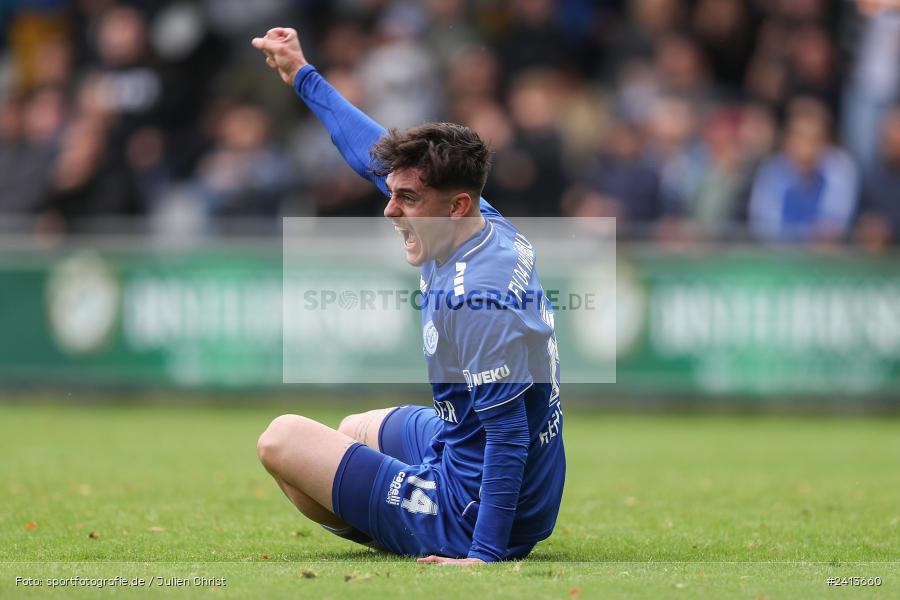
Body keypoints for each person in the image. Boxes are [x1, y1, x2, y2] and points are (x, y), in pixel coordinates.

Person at [252, 28, 565, 565]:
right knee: (352, 431)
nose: (389, 210)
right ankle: (404, 512)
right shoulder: (478, 222)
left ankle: (427, 528)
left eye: (406, 199)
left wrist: (484, 557)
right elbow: (365, 149)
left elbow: (509, 435)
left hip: (475, 506)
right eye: (393, 193)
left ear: (456, 205)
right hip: (479, 454)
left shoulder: (478, 298)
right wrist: (302, 74)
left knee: (280, 441)